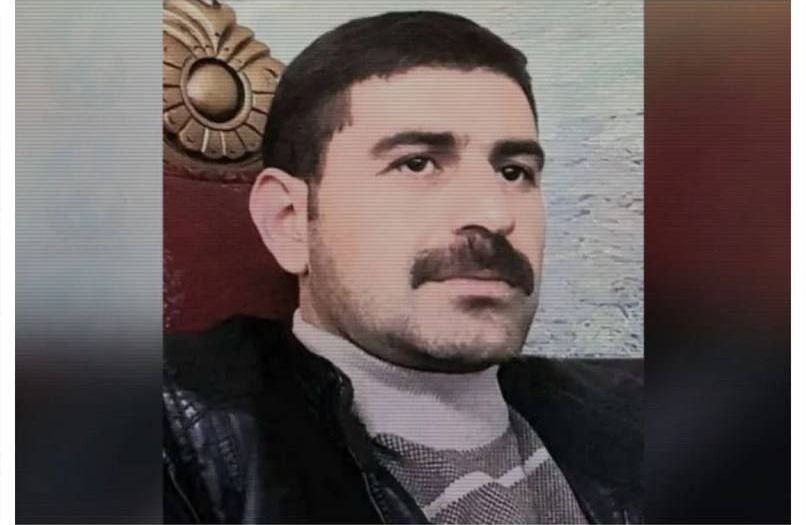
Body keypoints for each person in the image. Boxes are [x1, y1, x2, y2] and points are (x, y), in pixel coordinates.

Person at [163, 11, 642, 524]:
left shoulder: (642, 406)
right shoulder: (175, 433)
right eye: (417, 163)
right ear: (290, 220)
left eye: (513, 172)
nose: (494, 214)